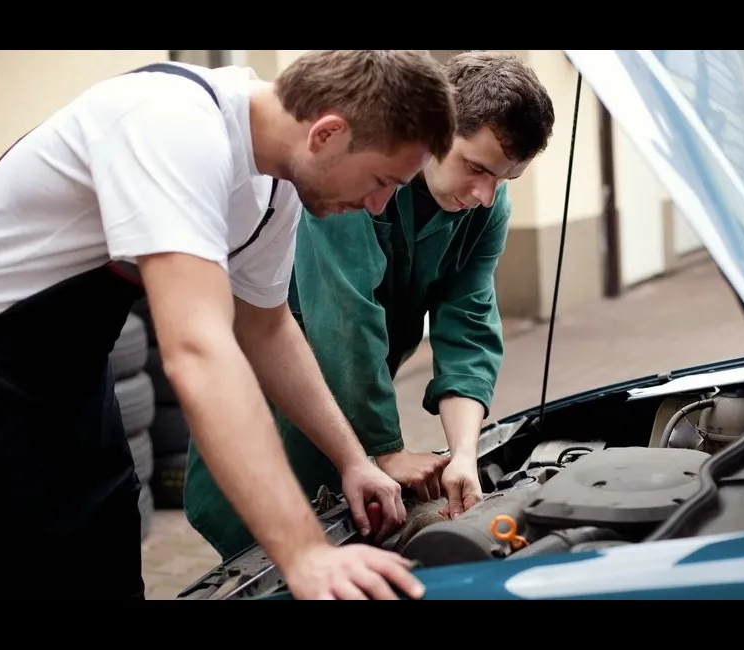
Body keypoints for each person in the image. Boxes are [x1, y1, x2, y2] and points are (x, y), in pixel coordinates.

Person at [0, 50, 457, 600]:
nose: (379, 205)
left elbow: (266, 328)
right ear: (327, 133)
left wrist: (352, 461)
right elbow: (199, 352)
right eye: (381, 179)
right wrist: (303, 552)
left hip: (74, 370)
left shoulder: (275, 187)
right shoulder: (172, 122)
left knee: (104, 546)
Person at [184, 51, 555, 561]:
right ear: (437, 131)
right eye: (476, 167)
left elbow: (468, 324)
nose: (485, 195)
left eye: (504, 180)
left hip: (357, 399)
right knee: (259, 543)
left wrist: (464, 455)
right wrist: (388, 449)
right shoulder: (357, 177)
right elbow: (346, 318)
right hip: (275, 388)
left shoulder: (484, 207)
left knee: (341, 527)